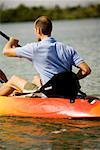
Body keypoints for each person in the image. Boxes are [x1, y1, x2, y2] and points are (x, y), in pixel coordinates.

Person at [0, 16, 91, 96]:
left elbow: (5, 51)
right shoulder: (68, 48)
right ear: (50, 29)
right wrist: (70, 81)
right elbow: (86, 70)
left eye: (35, 30)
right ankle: (21, 93)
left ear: (38, 30)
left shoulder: (34, 48)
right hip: (68, 91)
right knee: (37, 78)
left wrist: (11, 41)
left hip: (50, 92)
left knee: (13, 80)